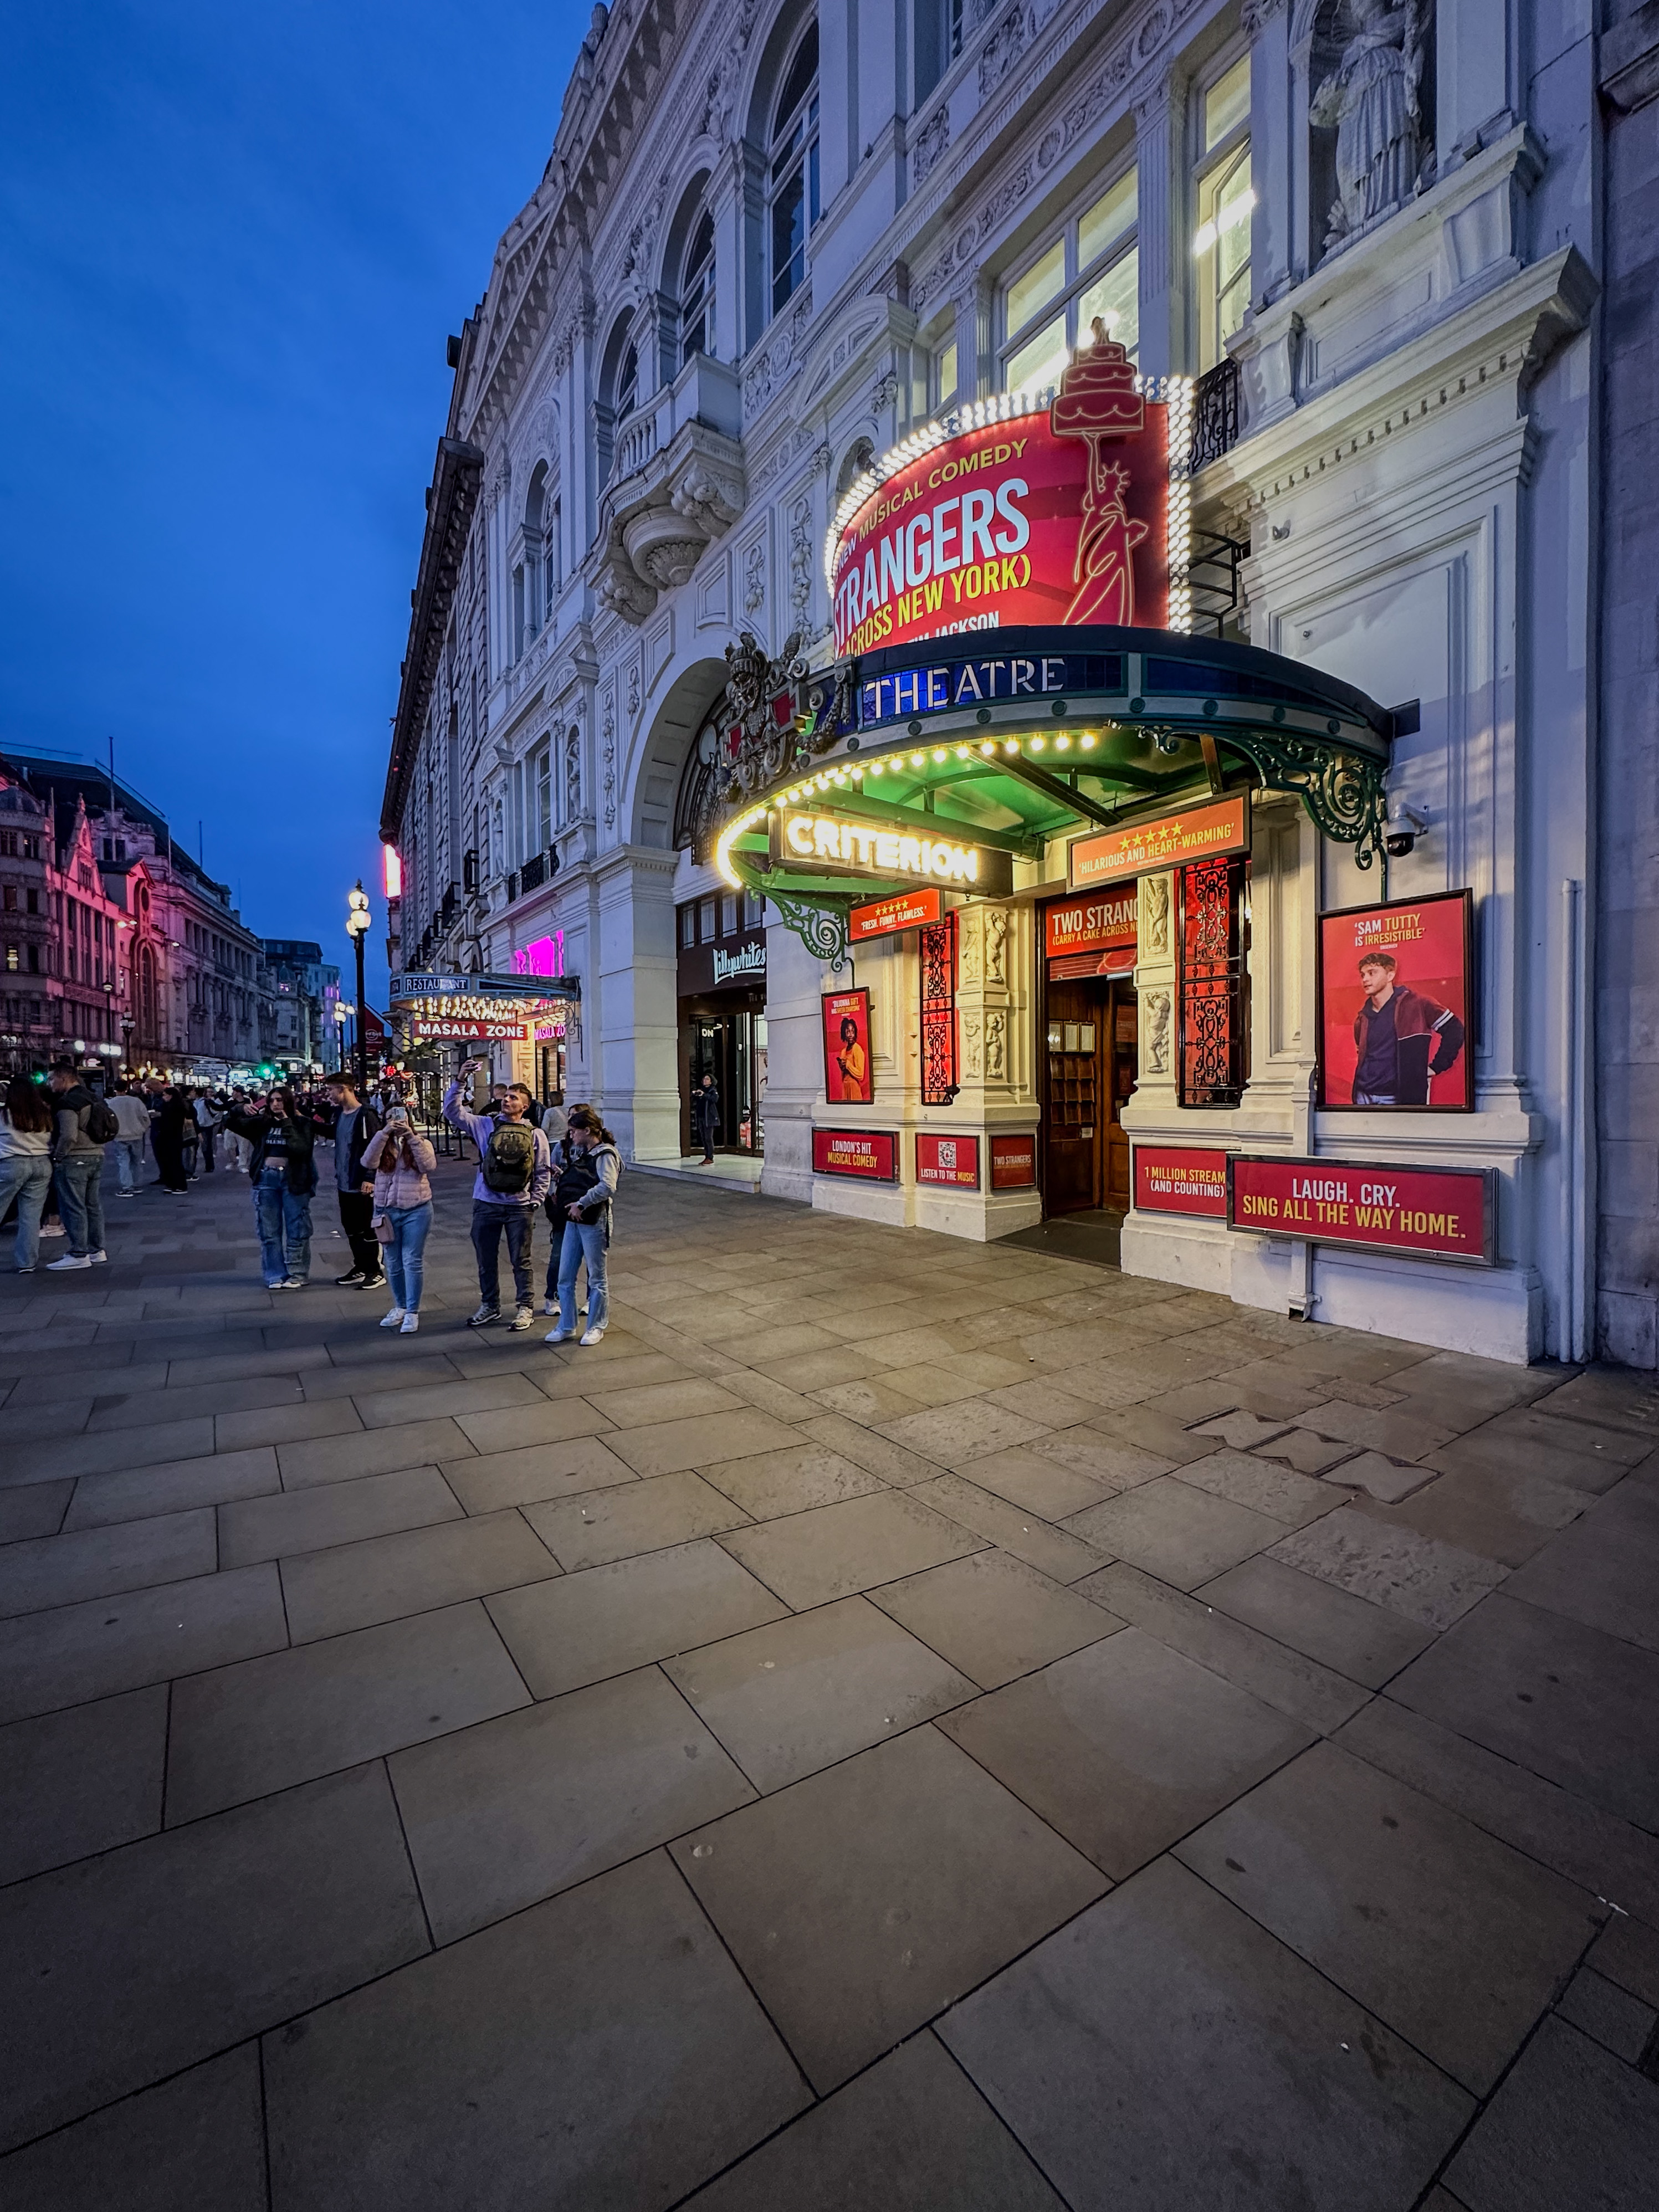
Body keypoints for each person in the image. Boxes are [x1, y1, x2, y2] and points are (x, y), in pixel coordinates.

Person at [443, 1061, 550, 1329]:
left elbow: (542, 1170)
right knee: (486, 1259)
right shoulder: (484, 1125)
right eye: (506, 1096)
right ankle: (490, 1306)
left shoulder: (536, 1134)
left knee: (521, 1260)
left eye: (514, 1098)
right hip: (486, 1203)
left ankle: (525, 1307)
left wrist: (535, 1200)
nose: (507, 1100)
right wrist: (460, 1080)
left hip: (519, 1206)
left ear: (525, 1106)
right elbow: (452, 1112)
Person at [223, 1088, 318, 1289]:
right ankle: (275, 1274)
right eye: (272, 1100)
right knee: (269, 1232)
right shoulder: (262, 1123)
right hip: (266, 1179)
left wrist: (286, 1123)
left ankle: (297, 1273)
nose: (276, 1104)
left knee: (297, 1229)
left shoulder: (302, 1123)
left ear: (288, 1102)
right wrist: (240, 1108)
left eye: (280, 1100)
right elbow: (229, 1122)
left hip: (294, 1180)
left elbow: (301, 1149)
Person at [546, 1105, 619, 1348]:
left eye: (574, 1131)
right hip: (575, 1220)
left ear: (587, 1130)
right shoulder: (583, 1152)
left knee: (597, 1277)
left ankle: (596, 1326)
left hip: (594, 1219)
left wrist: (581, 1203)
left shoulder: (605, 1154)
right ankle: (567, 1325)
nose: (571, 1135)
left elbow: (607, 1186)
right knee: (565, 1275)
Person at [1351, 950, 1465, 1106]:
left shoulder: (1418, 1004)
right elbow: (1362, 1055)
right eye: (1363, 975)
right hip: (1363, 1095)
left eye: (1372, 973)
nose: (1365, 979)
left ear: (1390, 975)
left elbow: (1455, 1030)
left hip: (1398, 1098)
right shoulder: (1362, 1017)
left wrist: (1437, 1066)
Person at [362, 1105, 436, 1334]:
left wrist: (411, 1137)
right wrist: (383, 1134)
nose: (395, 1122)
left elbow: (428, 1166)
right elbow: (368, 1162)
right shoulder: (382, 1143)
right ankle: (400, 1306)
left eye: (400, 1118)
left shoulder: (421, 1142)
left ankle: (412, 1311)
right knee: (393, 1262)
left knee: (412, 1259)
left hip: (417, 1209)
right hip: (387, 1212)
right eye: (390, 1119)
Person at [45, 1061, 108, 1271]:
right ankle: (97, 1250)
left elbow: (69, 1136)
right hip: (96, 1155)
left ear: (63, 1079)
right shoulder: (93, 1097)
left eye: (51, 1079)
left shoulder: (68, 1103)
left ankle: (79, 1253)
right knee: (93, 1205)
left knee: (73, 1206)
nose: (49, 1083)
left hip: (75, 1158)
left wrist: (58, 1156)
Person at [325, 1076, 385, 1288]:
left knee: (367, 1228)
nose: (329, 1094)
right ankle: (361, 1266)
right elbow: (332, 1133)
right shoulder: (339, 1114)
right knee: (351, 1227)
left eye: (331, 1090)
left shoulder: (366, 1115)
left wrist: (370, 1177)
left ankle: (375, 1270)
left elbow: (377, 1145)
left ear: (343, 1089)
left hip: (362, 1183)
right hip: (345, 1182)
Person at [0, 1074, 54, 1273]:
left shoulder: (5, 1114)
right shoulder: (43, 1114)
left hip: (12, 1163)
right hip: (41, 1163)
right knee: (31, 1217)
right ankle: (27, 1262)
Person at [108, 1081, 153, 1195]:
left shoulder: (110, 1103)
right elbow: (146, 1118)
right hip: (136, 1134)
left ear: (115, 1089)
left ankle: (127, 1186)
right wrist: (142, 1129)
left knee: (123, 1161)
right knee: (136, 1161)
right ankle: (137, 1184)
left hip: (119, 1135)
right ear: (127, 1088)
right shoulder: (136, 1101)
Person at [150, 1087, 193, 1194]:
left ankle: (180, 1185)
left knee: (175, 1161)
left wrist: (161, 1115)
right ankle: (171, 1184)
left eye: (165, 1095)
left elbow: (174, 1120)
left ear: (171, 1096)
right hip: (166, 1136)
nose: (163, 1097)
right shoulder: (168, 1106)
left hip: (174, 1137)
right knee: (168, 1161)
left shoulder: (178, 1107)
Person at [834, 1015, 867, 1101]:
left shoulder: (857, 1049)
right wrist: (842, 1067)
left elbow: (861, 1075)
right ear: (844, 1034)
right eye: (848, 1032)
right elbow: (843, 1074)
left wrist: (848, 1065)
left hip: (854, 1088)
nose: (851, 1035)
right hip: (845, 1087)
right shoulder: (843, 1052)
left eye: (853, 1032)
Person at [691, 1072, 720, 1163]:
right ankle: (706, 1156)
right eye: (704, 1079)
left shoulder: (712, 1091)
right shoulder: (702, 1090)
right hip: (701, 1117)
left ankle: (710, 1157)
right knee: (703, 1138)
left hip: (709, 1118)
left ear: (711, 1082)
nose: (705, 1080)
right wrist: (695, 1094)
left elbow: (714, 1099)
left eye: (707, 1079)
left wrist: (704, 1095)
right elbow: (694, 1098)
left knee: (708, 1138)